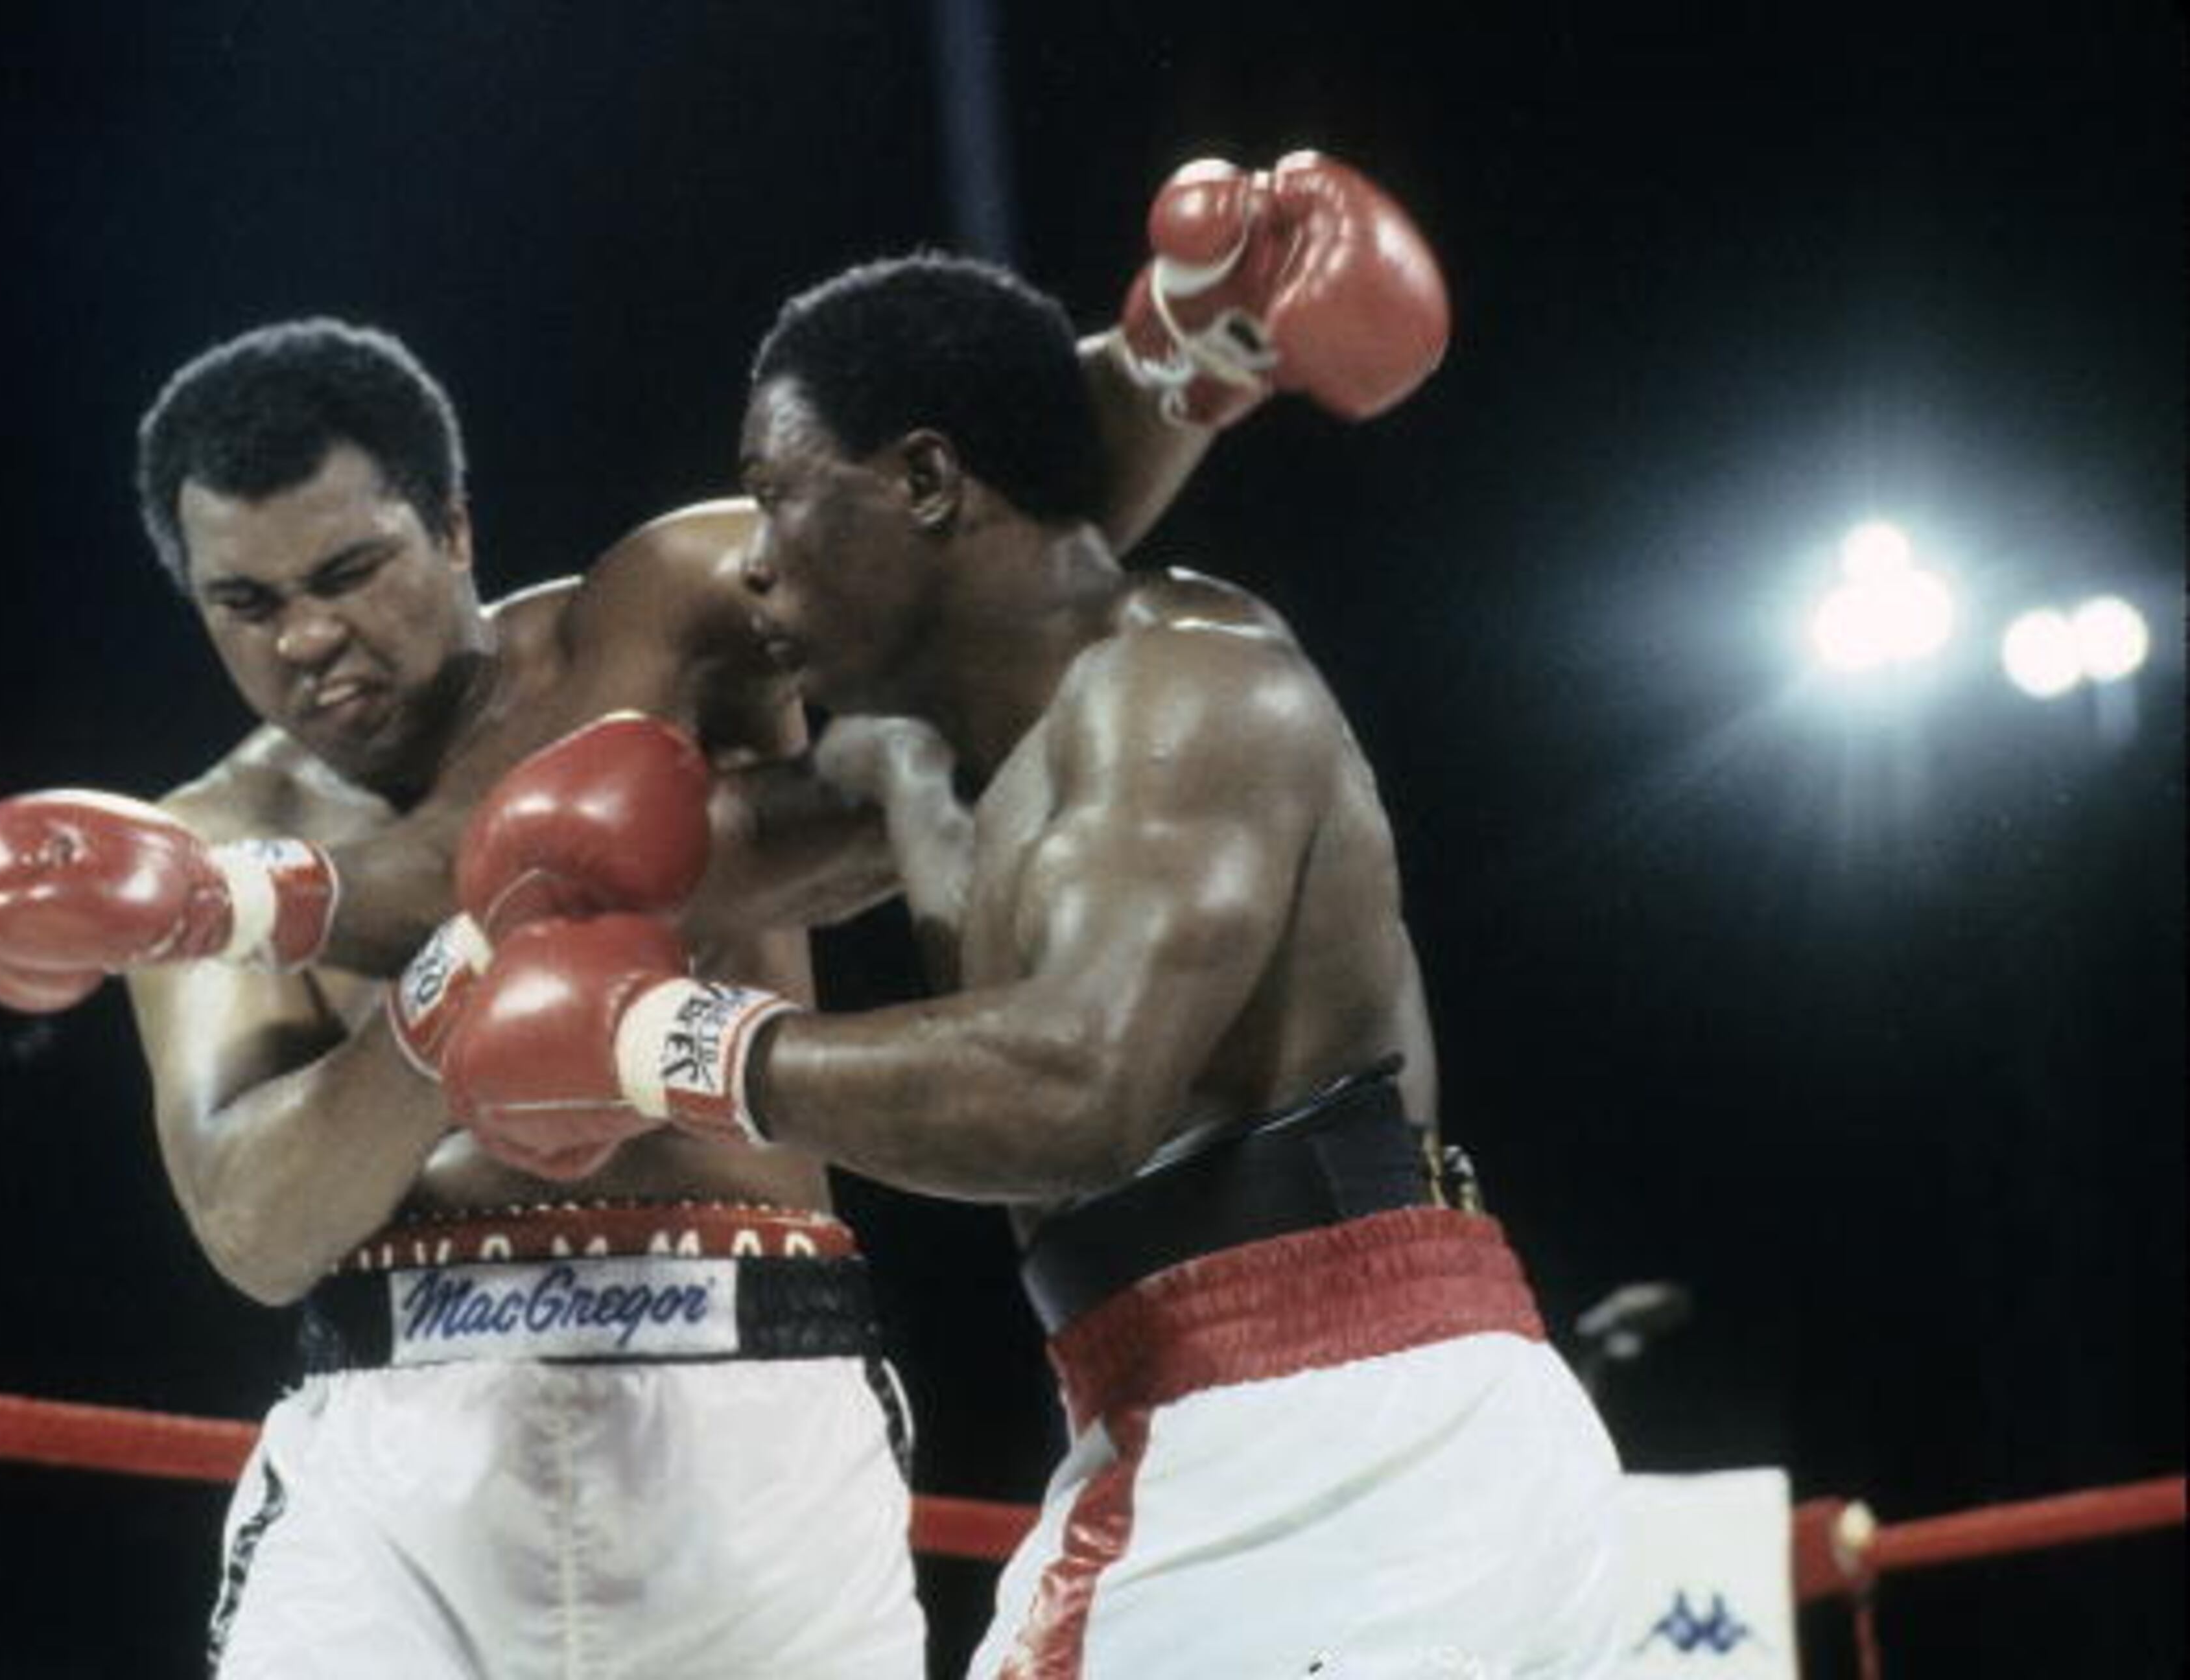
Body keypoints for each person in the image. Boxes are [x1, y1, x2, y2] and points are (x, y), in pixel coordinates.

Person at [0, 207, 1225, 1676]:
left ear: (455, 528)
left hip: (749, 1415)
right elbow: (255, 1224)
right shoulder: (198, 843)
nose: (305, 639)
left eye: (349, 573)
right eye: (249, 602)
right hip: (402, 1459)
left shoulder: (662, 621)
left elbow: (963, 556)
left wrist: (1190, 357)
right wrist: (464, 988)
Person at [429, 153, 1627, 1679]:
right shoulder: (917, 768)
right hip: (1247, 1418)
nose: (750, 559)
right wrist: (467, 913)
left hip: (1322, 1431)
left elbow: (1075, 1085)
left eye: (782, 494)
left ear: (926, 483)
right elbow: (604, 872)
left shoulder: (1192, 684)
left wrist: (668, 1038)